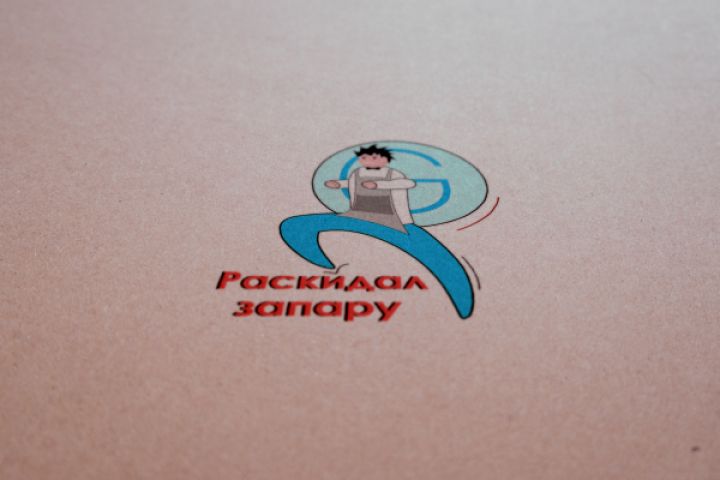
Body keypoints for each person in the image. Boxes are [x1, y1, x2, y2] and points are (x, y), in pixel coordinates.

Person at [324, 145, 415, 232]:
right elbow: (353, 183)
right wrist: (338, 184)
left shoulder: (393, 173)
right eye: (363, 157)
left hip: (390, 215)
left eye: (374, 158)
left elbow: (408, 183)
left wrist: (377, 185)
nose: (368, 160)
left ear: (385, 159)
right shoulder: (357, 172)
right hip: (359, 212)